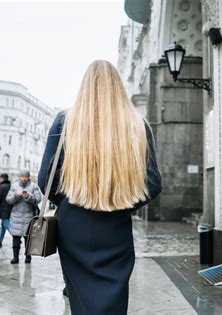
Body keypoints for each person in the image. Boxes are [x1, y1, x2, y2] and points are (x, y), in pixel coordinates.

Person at [38, 60, 162, 314]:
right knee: (114, 296)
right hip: (116, 224)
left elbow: (44, 179)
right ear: (118, 88)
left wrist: (73, 198)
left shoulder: (65, 122)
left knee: (80, 298)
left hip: (73, 225)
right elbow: (153, 183)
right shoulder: (138, 125)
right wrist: (123, 199)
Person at [6, 170, 42, 264]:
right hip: (16, 216)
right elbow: (8, 200)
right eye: (22, 177)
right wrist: (16, 196)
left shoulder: (34, 186)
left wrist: (28, 196)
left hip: (29, 216)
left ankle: (28, 257)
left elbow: (38, 199)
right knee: (16, 239)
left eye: (26, 177)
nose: (24, 178)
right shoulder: (14, 186)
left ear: (28, 177)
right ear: (19, 177)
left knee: (28, 239)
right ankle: (15, 257)